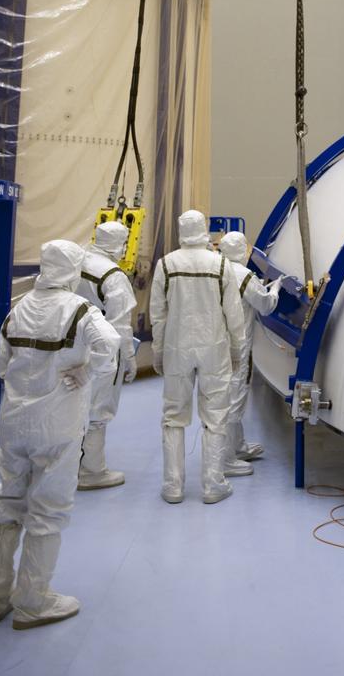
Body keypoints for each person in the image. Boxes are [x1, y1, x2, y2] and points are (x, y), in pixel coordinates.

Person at [0, 239, 120, 630]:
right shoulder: (79, 310)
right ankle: (32, 601)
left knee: (6, 504)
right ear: (73, 270)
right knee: (46, 511)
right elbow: (110, 343)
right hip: (56, 425)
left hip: (13, 424)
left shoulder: (18, 308)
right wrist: (86, 371)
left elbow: (2, 366)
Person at [149, 209, 247, 505]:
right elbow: (234, 312)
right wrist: (236, 350)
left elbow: (158, 314)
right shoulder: (219, 265)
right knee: (215, 417)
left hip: (177, 349)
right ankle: (212, 484)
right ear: (203, 229)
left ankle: (173, 486)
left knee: (173, 417)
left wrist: (158, 351)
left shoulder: (165, 265)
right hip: (214, 348)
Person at [75, 220, 137, 489]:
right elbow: (120, 323)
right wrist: (130, 357)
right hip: (103, 350)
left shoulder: (76, 261)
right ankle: (92, 471)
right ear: (119, 245)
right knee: (99, 409)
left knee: (73, 405)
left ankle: (68, 464)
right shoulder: (113, 277)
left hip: (73, 345)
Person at [217, 231, 281, 466]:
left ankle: (237, 446)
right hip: (237, 344)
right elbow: (264, 306)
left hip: (215, 342)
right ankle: (227, 457)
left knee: (223, 394)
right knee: (235, 396)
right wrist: (275, 289)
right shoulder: (243, 275)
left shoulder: (215, 269)